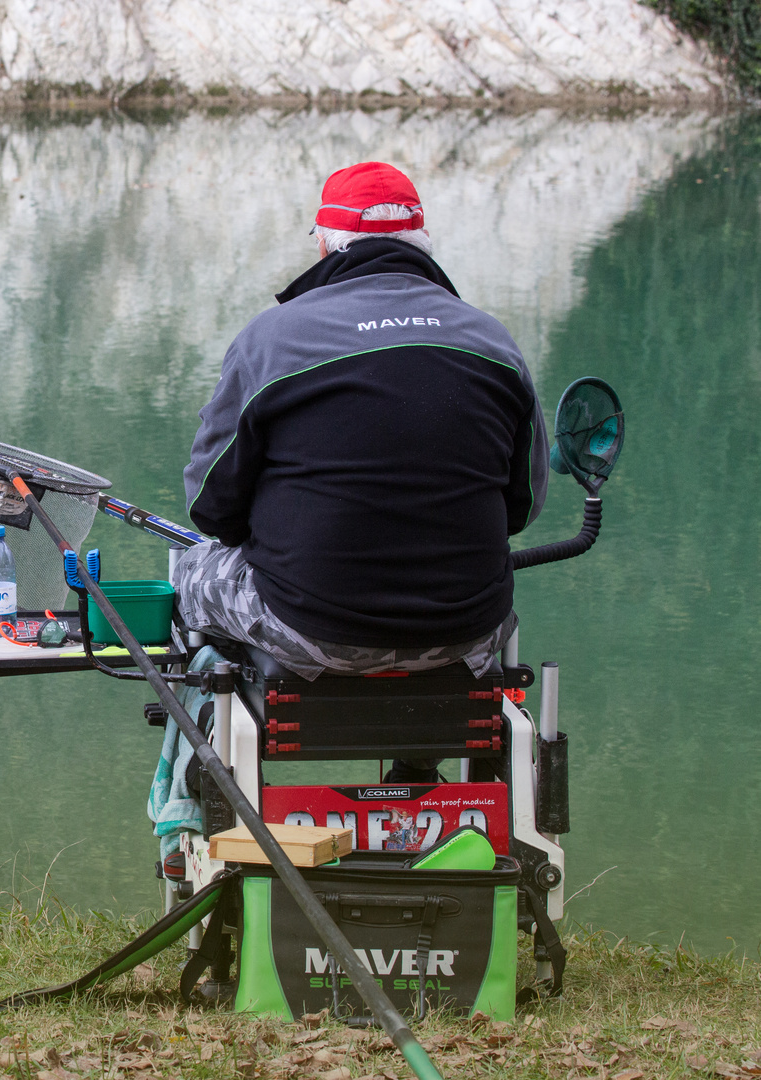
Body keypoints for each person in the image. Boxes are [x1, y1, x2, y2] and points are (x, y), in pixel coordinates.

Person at [175, 162, 548, 782]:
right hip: (466, 631)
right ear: (424, 245)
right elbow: (521, 506)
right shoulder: (494, 343)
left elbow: (210, 508)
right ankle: (419, 766)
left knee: (189, 567)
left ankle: (204, 785)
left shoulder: (272, 339)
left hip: (311, 629)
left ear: (324, 244)